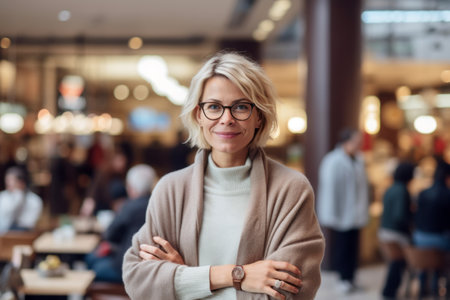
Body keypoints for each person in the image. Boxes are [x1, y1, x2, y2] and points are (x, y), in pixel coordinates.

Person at [122, 52, 325, 300]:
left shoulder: (290, 189)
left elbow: (292, 292)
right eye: (214, 107)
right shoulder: (171, 189)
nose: (226, 119)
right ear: (198, 114)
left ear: (259, 116)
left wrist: (184, 277)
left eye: (241, 107)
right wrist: (236, 276)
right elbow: (138, 281)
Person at [316, 128, 369, 293]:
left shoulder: (359, 159)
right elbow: (331, 190)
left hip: (356, 212)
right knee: (342, 247)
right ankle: (342, 278)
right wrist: (333, 214)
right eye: (356, 141)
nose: (359, 144)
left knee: (353, 247)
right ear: (347, 141)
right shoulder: (333, 160)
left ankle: (351, 278)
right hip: (341, 213)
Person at [86, 164, 156, 282]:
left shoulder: (129, 206)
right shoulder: (157, 205)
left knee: (94, 265)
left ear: (131, 187)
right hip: (151, 267)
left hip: (127, 267)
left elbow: (110, 234)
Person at [378, 162, 415, 299]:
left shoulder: (390, 188)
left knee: (395, 263)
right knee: (400, 262)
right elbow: (400, 216)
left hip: (384, 232)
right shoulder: (402, 190)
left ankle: (390, 291)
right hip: (396, 234)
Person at [412, 160, 450, 297]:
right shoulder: (447, 195)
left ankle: (424, 289)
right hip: (439, 243)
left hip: (420, 241)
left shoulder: (422, 193)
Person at [0, 166, 43, 233]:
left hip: (24, 234)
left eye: (11, 181)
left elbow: (29, 223)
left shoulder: (34, 200)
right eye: (7, 180)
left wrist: (19, 197)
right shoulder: (2, 197)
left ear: (21, 183)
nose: (8, 184)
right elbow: (3, 221)